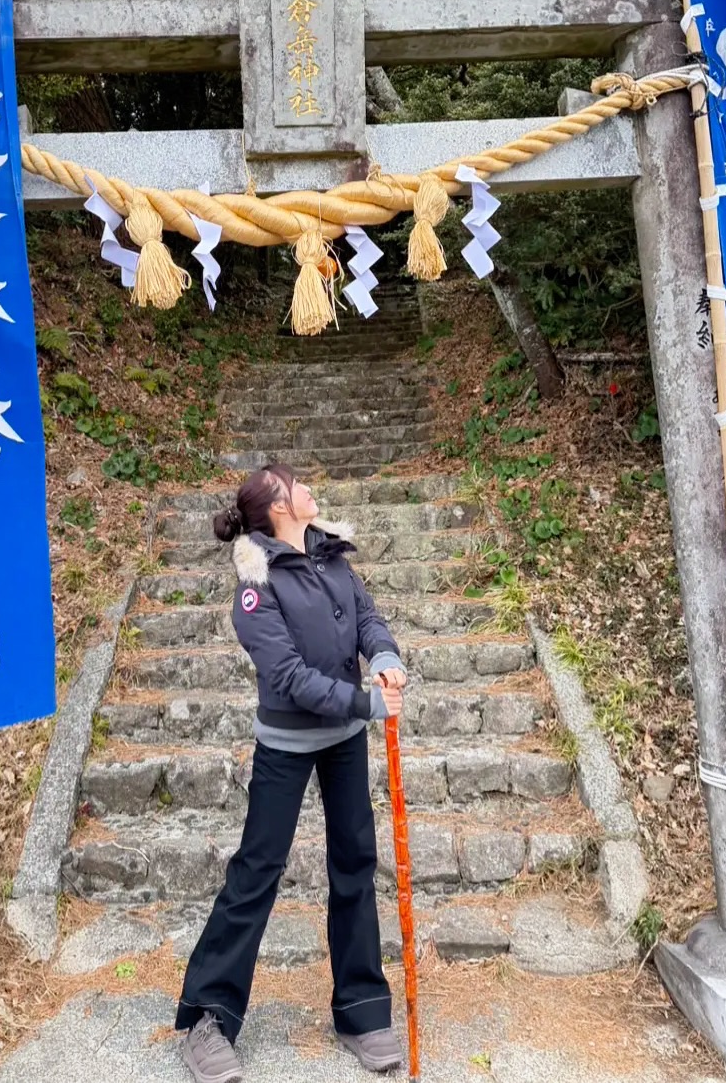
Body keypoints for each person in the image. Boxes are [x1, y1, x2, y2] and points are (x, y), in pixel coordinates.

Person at [176, 463, 408, 1083]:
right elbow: (288, 677)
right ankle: (208, 1019)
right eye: (296, 484)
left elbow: (366, 616)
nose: (308, 488)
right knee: (257, 870)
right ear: (279, 507)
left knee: (355, 862)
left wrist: (383, 655)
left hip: (344, 742)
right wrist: (365, 702)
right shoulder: (256, 587)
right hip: (286, 744)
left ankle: (362, 1011)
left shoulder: (331, 556)